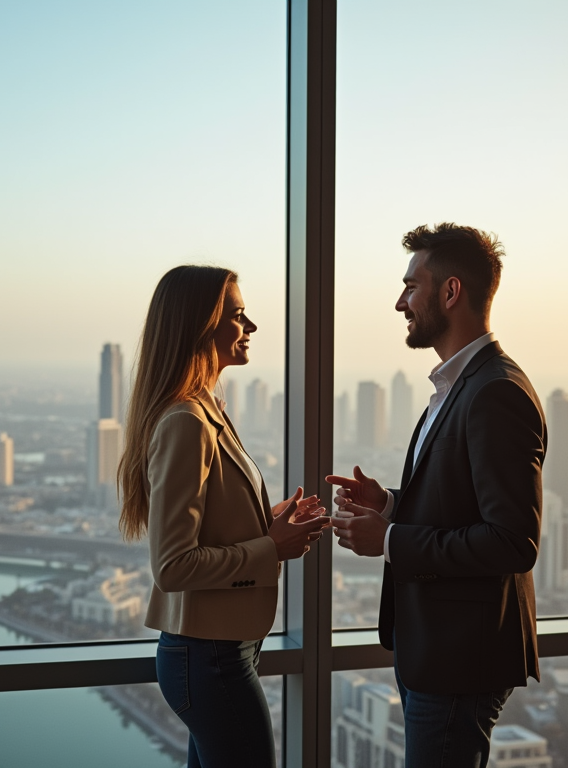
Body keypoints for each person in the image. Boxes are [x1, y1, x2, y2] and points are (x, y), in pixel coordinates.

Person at [327, 223, 546, 768]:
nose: (399, 301)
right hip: (439, 652)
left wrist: (392, 539)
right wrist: (392, 505)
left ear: (450, 292)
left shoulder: (495, 392)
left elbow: (513, 541)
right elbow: (461, 501)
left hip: (459, 659)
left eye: (410, 286)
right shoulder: (459, 387)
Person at [117, 264, 328, 768]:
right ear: (200, 327)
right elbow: (173, 568)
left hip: (219, 653)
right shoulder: (186, 422)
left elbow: (210, 523)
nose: (250, 326)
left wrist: (267, 522)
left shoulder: (207, 410)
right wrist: (270, 547)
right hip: (208, 657)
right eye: (237, 315)